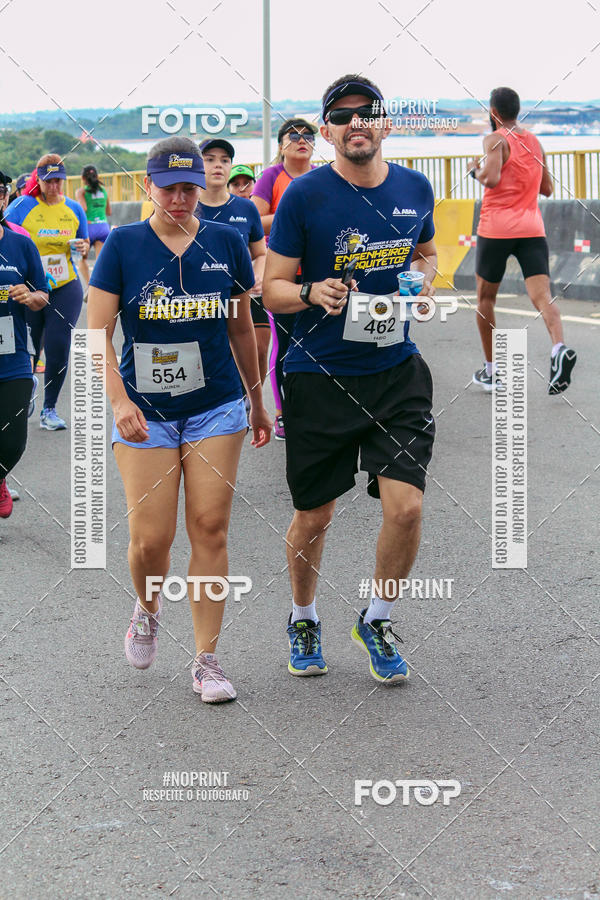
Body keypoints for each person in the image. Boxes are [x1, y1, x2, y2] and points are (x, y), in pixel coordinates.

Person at [263, 74, 437, 684]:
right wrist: (310, 290)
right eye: (342, 116)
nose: (356, 122)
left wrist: (424, 281)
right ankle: (304, 616)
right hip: (320, 376)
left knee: (407, 507)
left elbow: (426, 253)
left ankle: (378, 618)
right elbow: (272, 289)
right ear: (329, 131)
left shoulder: (417, 188)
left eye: (368, 113)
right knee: (316, 516)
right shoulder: (305, 196)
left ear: (385, 123)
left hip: (396, 371)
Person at [88, 137, 271, 703]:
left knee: (210, 528)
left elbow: (242, 327)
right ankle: (147, 607)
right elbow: (97, 334)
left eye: (190, 187)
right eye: (169, 188)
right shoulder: (123, 245)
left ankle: (207, 659)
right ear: (149, 186)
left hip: (215, 406)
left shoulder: (227, 241)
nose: (181, 198)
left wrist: (257, 398)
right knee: (151, 541)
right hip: (146, 413)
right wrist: (120, 402)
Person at [469, 86, 576, 394]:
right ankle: (558, 349)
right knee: (543, 297)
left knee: (485, 300)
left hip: (496, 230)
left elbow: (491, 179)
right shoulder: (534, 142)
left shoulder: (494, 139)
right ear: (517, 111)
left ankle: (491, 371)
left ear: (494, 113)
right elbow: (547, 189)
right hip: (532, 230)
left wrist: (474, 171)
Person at [4, 154, 89, 429]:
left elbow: (85, 242)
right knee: (29, 347)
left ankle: (49, 409)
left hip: (65, 285)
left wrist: (83, 248)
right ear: (37, 180)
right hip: (28, 288)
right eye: (48, 181)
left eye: (58, 181)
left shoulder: (74, 208)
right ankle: (24, 388)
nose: (54, 186)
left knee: (58, 345)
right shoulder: (21, 206)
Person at [252, 118, 317, 439]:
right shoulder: (271, 177)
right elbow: (254, 222)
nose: (302, 140)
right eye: (294, 136)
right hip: (283, 275)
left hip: (320, 273)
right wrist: (290, 216)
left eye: (309, 136)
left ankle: (319, 408)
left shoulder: (323, 175)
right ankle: (282, 413)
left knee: (320, 342)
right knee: (286, 343)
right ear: (281, 145)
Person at [197, 141, 268, 385]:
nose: (218, 165)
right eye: (210, 159)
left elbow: (260, 253)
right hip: (201, 300)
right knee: (214, 358)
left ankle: (251, 400)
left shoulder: (246, 207)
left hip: (243, 295)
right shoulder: (186, 206)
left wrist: (258, 274)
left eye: (225, 160)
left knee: (257, 349)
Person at [0, 171, 48, 519]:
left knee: (14, 438)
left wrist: (30, 296)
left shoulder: (20, 244)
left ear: (5, 198)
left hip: (12, 352)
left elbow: (43, 295)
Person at [75, 165, 112, 296]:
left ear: (83, 178)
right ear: (97, 176)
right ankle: (99, 288)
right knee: (100, 261)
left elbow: (82, 209)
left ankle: (90, 287)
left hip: (89, 227)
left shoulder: (81, 191)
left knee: (81, 258)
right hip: (103, 227)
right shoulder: (104, 190)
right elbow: (109, 211)